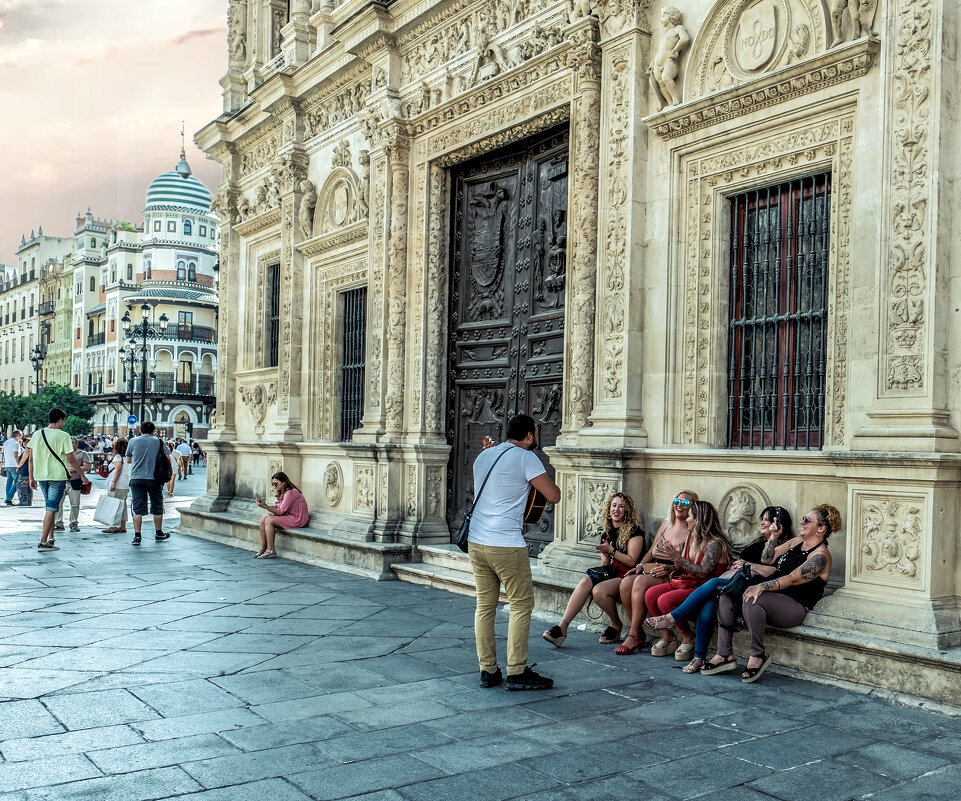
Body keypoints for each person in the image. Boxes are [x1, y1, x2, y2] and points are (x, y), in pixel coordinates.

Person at [467, 414, 561, 691]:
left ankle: (488, 670)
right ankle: (517, 672)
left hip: (477, 541)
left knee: (485, 606)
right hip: (505, 543)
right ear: (529, 436)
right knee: (521, 604)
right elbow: (553, 494)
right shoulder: (525, 457)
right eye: (535, 434)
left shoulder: (483, 456)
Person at [646, 506, 793, 673]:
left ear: (779, 523)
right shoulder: (757, 542)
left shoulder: (782, 546)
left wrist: (750, 563)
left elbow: (774, 570)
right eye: (763, 518)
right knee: (708, 604)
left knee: (710, 592)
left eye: (767, 519)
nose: (762, 522)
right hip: (727, 584)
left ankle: (675, 622)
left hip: (741, 586)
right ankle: (702, 657)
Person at [703, 504, 840, 682]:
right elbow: (767, 558)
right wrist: (774, 537)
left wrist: (762, 586)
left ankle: (758, 655)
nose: (801, 522)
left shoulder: (820, 556)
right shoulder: (797, 541)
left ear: (821, 528)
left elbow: (792, 579)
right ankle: (724, 654)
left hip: (794, 605)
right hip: (773, 595)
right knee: (727, 594)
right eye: (803, 518)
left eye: (807, 520)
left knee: (753, 600)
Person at [543, 492, 644, 647]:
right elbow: (606, 564)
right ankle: (562, 626)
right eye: (614, 505)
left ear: (627, 510)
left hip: (628, 576)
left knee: (598, 591)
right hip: (612, 572)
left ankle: (616, 624)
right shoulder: (607, 533)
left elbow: (632, 561)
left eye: (621, 506)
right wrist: (605, 555)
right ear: (609, 509)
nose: (616, 509)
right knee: (585, 582)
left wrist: (611, 551)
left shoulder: (634, 531)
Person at [610, 490, 699, 655]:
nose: (679, 505)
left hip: (673, 572)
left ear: (693, 507)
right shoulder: (666, 525)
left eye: (685, 503)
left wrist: (669, 568)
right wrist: (639, 566)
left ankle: (634, 634)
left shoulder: (692, 529)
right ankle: (641, 632)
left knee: (639, 583)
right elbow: (651, 551)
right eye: (676, 501)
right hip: (652, 568)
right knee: (626, 583)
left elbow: (691, 561)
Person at [642, 500, 731, 659]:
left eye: (690, 516)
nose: (687, 519)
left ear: (698, 519)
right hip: (688, 580)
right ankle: (668, 636)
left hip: (704, 587)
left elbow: (703, 572)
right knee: (650, 595)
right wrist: (669, 565)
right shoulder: (692, 536)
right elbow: (684, 565)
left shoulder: (715, 544)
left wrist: (677, 558)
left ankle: (688, 636)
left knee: (664, 600)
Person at [28, 408, 90, 551]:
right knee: (51, 508)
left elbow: (31, 458)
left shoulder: (37, 434)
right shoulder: (63, 436)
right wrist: (82, 475)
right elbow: (71, 458)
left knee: (51, 507)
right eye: (64, 420)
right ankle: (43, 542)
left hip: (41, 476)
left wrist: (31, 477)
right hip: (57, 476)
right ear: (60, 419)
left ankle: (51, 539)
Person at [125, 421, 170, 546]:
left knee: (137, 507)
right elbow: (167, 456)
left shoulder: (133, 441)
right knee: (157, 506)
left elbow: (128, 459)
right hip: (154, 478)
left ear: (140, 430)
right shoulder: (159, 441)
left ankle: (137, 536)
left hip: (136, 478)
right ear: (153, 430)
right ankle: (159, 533)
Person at [254, 471, 309, 558]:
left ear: (284, 482)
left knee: (269, 520)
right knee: (264, 518)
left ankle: (271, 550)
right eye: (273, 484)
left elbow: (280, 511)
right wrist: (266, 506)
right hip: (290, 516)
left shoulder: (291, 492)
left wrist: (266, 507)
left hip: (298, 518)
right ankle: (263, 547)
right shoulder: (281, 492)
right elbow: (277, 508)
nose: (274, 487)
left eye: (276, 484)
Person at [54, 437, 93, 533]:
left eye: (73, 442)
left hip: (75, 481)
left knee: (75, 504)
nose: (71, 444)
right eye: (69, 442)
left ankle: (73, 523)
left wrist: (74, 468)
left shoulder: (82, 454)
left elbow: (88, 466)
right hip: (62, 481)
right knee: (58, 503)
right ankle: (58, 523)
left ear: (77, 444)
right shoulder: (61, 453)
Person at [102, 437, 130, 534]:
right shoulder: (127, 457)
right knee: (123, 505)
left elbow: (118, 470)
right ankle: (123, 525)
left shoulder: (118, 457)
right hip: (125, 484)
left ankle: (114, 526)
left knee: (114, 505)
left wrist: (113, 483)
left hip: (118, 485)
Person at [3, 430, 23, 505]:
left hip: (7, 464)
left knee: (9, 482)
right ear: (17, 435)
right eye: (21, 436)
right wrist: (19, 465)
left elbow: (4, 454)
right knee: (17, 481)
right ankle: (9, 498)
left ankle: (8, 498)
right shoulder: (16, 443)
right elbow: (16, 455)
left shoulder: (6, 442)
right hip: (14, 465)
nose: (21, 437)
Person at [16, 438, 32, 508]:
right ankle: (28, 501)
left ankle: (23, 501)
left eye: (27, 442)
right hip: (29, 470)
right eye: (24, 442)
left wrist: (18, 467)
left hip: (24, 470)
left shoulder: (27, 450)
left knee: (21, 486)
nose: (25, 443)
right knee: (28, 487)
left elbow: (22, 460)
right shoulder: (33, 450)